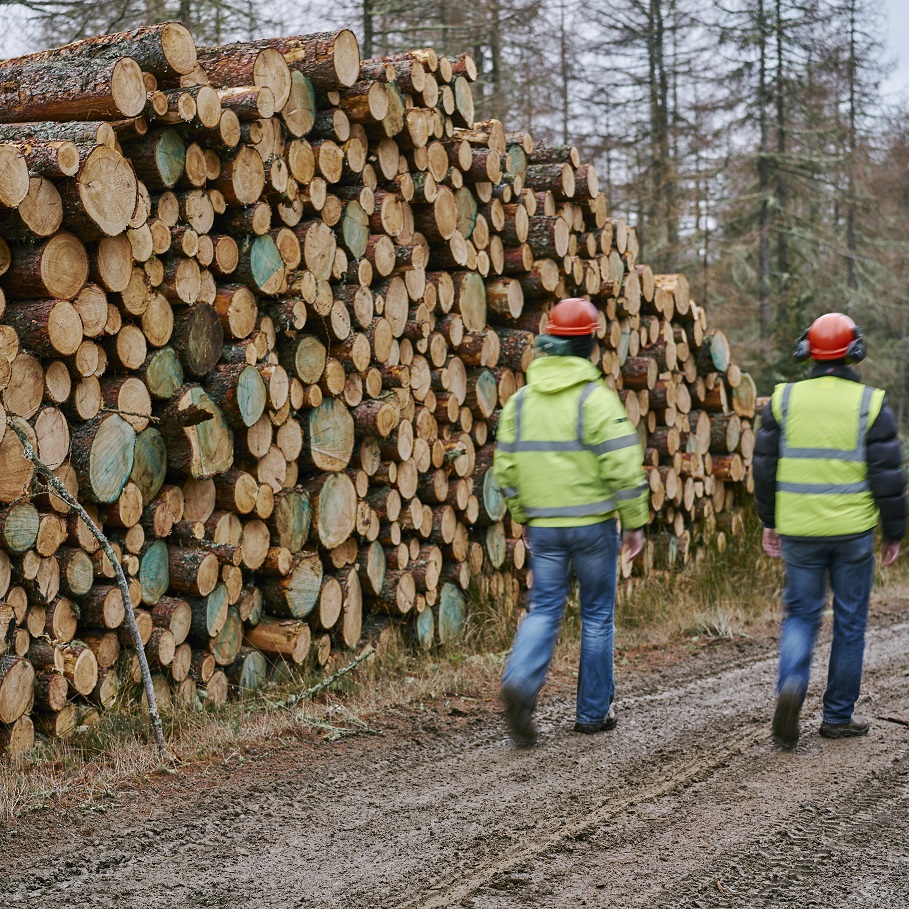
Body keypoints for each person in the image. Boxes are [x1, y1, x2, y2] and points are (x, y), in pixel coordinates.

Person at [493, 297, 649, 748]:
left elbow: (506, 469)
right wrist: (635, 522)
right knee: (597, 615)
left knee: (544, 608)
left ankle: (521, 680)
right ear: (589, 345)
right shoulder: (596, 400)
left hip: (544, 526)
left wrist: (523, 515)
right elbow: (624, 466)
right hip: (594, 528)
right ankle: (593, 714)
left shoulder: (521, 402)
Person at [753, 312, 906, 750]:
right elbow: (889, 476)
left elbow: (764, 468)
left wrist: (770, 521)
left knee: (801, 615)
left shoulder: (782, 401)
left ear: (808, 353)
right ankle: (838, 716)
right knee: (850, 623)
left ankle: (791, 685)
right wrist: (894, 532)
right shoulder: (871, 403)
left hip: (799, 530)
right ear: (854, 353)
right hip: (853, 532)